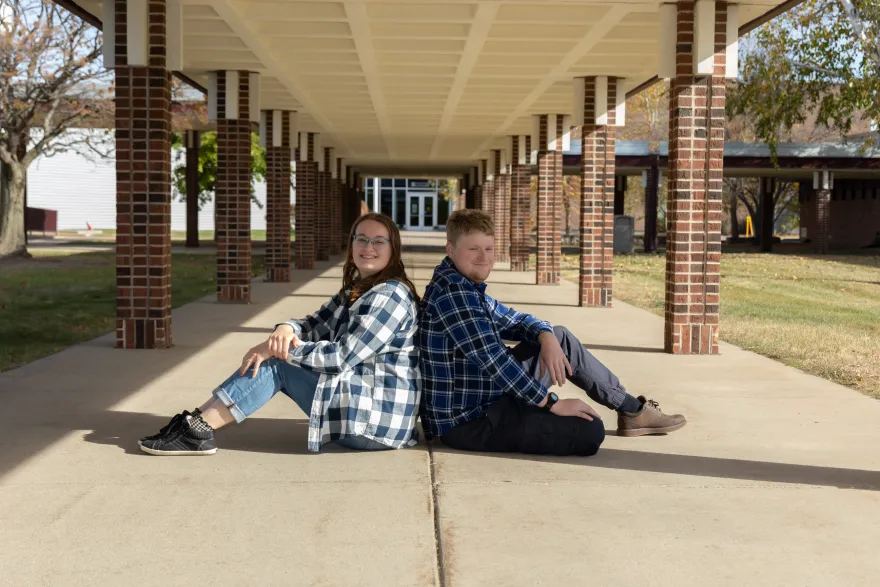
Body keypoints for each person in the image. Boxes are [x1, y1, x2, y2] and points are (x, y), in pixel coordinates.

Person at [139, 213, 422, 455]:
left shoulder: (390, 296)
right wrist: (285, 329)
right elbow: (314, 323)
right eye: (361, 239)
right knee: (277, 355)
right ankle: (196, 422)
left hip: (376, 425)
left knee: (278, 363)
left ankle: (198, 430)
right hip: (361, 405)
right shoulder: (358, 289)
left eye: (378, 241)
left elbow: (342, 357)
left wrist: (277, 349)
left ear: (392, 249)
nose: (368, 247)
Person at [418, 209, 686, 457]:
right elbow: (495, 362)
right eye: (473, 249)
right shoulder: (453, 295)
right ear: (450, 249)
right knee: (590, 431)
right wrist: (551, 403)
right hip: (469, 419)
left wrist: (545, 336)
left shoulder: (463, 284)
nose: (484, 257)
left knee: (559, 337)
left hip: (488, 394)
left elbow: (514, 319)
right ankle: (627, 411)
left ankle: (631, 410)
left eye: (489, 248)